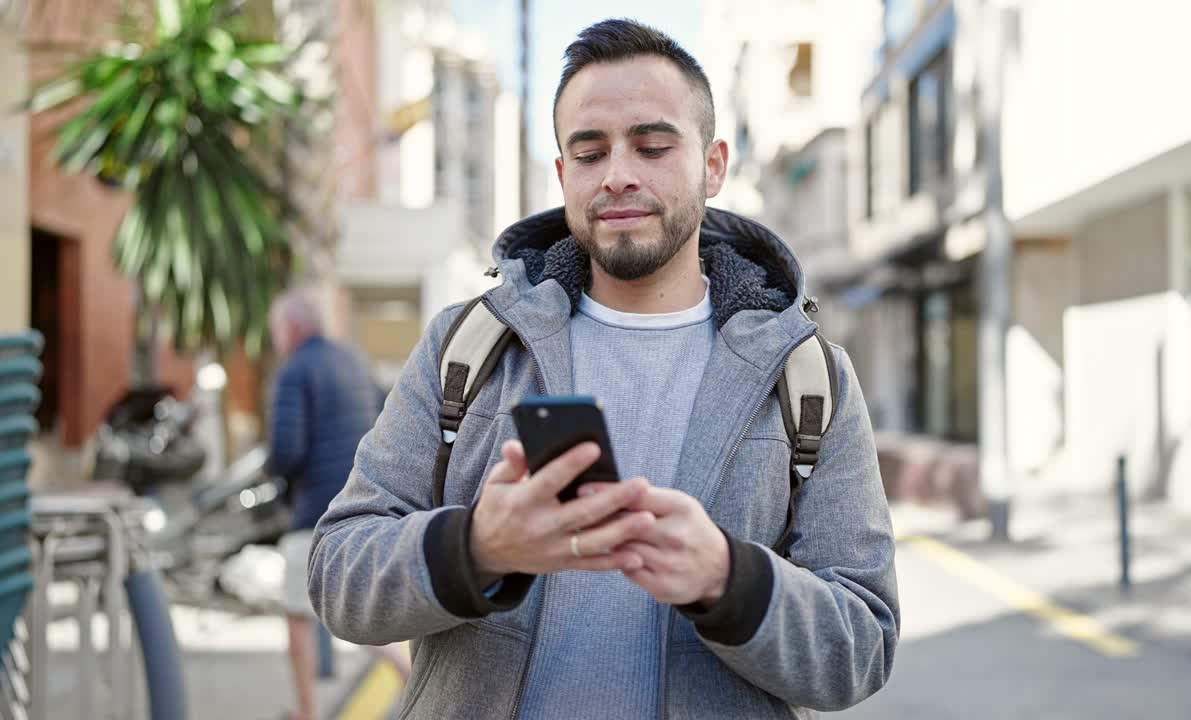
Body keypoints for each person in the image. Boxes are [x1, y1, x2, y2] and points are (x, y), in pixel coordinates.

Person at [309, 19, 899, 719]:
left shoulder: (807, 377)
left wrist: (729, 581)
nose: (618, 174)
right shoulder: (467, 346)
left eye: (652, 146)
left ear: (713, 165)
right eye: (589, 153)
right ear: (563, 175)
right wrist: (475, 547)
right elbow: (339, 571)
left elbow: (862, 645)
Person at [264, 289, 404, 720]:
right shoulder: (353, 361)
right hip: (363, 501)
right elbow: (387, 420)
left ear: (290, 329)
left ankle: (307, 712)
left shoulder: (294, 371)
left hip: (314, 510)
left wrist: (274, 476)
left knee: (297, 614)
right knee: (362, 606)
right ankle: (416, 680)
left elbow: (287, 449)